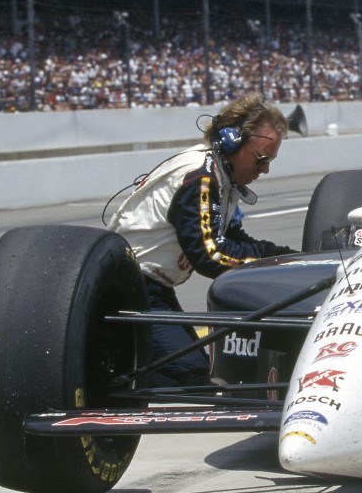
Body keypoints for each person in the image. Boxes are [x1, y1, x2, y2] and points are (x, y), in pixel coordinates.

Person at [113, 92, 295, 386]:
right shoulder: (199, 177)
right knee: (190, 374)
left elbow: (236, 240)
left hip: (152, 288)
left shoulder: (220, 177)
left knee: (200, 367)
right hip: (132, 288)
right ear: (232, 142)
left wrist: (291, 257)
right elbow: (210, 256)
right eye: (261, 159)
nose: (265, 169)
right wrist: (273, 269)